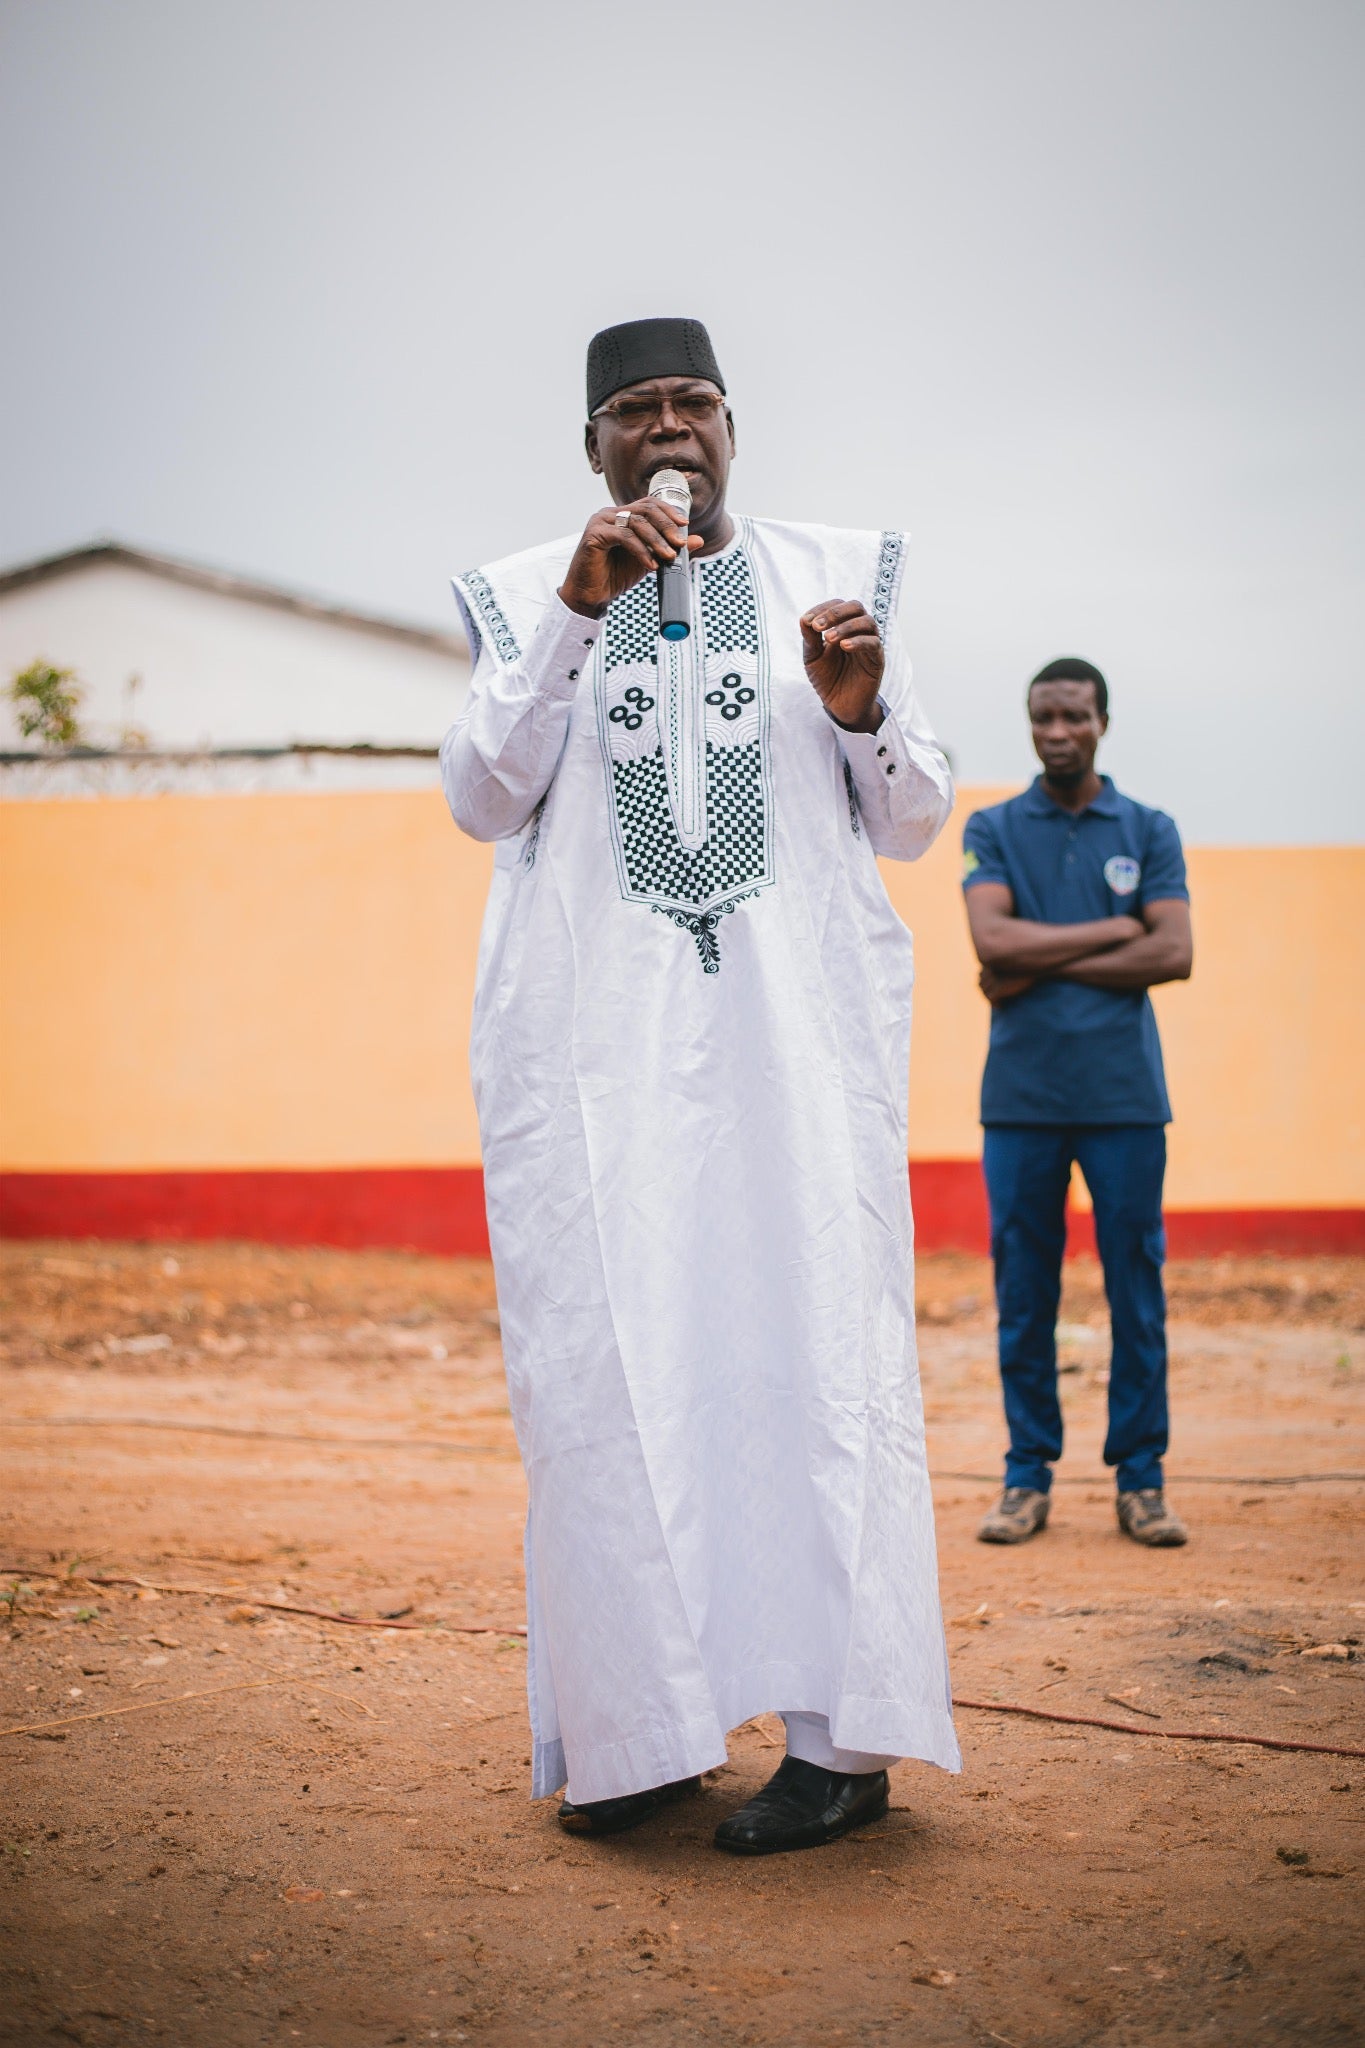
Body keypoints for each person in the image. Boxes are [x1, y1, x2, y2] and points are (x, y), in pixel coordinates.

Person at [440, 316, 960, 1855]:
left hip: (795, 1068)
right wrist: (573, 615)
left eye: (696, 404)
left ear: (733, 427)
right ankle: (639, 1734)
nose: (670, 428)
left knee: (814, 1369)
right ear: (593, 445)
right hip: (594, 1076)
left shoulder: (833, 581)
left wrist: (862, 709)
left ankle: (841, 1748)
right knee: (604, 1379)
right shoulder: (528, 591)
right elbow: (483, 797)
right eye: (636, 410)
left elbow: (916, 817)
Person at [961, 657, 1193, 1549]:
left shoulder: (1148, 828)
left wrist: (1031, 961)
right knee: (1025, 1293)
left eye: (1073, 717)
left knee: (1135, 1287)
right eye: (1042, 718)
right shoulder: (991, 827)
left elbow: (1172, 953)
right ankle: (1026, 1476)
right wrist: (1114, 929)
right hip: (1020, 1100)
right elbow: (990, 938)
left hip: (1124, 1097)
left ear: (1102, 722)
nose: (1056, 733)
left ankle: (1141, 1480)